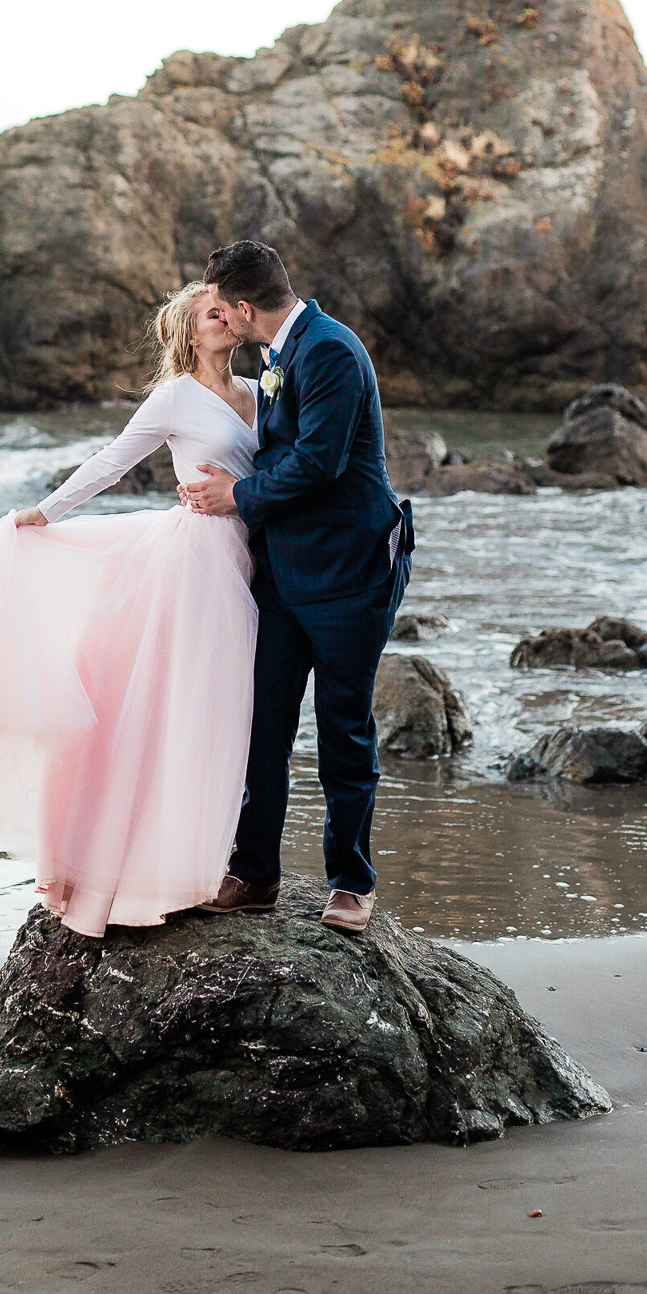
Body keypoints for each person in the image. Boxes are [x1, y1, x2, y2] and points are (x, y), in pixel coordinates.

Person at [0, 282, 259, 939]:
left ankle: (213, 859)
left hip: (247, 560)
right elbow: (112, 462)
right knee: (177, 710)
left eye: (230, 309)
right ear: (190, 333)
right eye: (214, 313)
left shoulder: (259, 393)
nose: (229, 318)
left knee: (226, 710)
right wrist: (47, 511)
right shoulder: (175, 397)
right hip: (194, 565)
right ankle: (155, 871)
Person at [181, 241, 413, 934]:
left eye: (224, 308)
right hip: (284, 576)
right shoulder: (280, 353)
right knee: (265, 727)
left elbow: (319, 461)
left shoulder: (332, 351)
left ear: (247, 308)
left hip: (350, 573)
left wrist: (237, 495)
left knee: (344, 731)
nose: (222, 319)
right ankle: (255, 874)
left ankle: (352, 883)